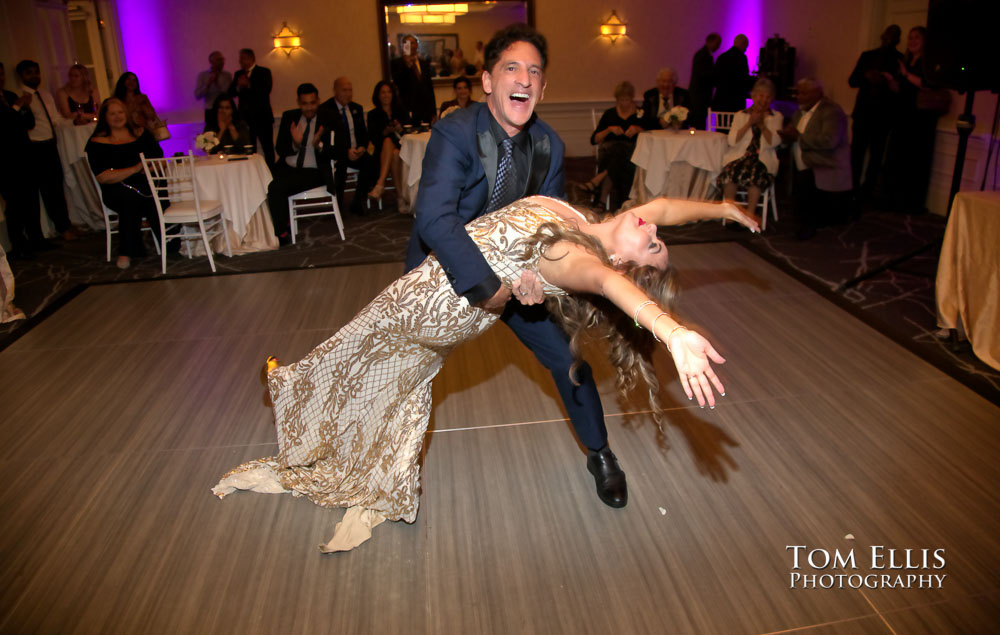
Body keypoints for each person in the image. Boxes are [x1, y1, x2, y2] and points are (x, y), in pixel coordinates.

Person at [213, 192, 759, 552]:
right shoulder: (586, 223)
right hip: (436, 283)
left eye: (654, 245)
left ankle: (296, 391)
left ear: (623, 265)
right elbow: (666, 204)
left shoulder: (587, 260)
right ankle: (300, 390)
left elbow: (616, 289)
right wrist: (723, 209)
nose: (656, 228)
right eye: (660, 237)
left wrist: (671, 330)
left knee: (367, 357)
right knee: (361, 356)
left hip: (437, 308)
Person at [408, 24, 640, 512]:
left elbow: (547, 229)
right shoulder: (455, 131)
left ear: (543, 88)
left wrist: (537, 272)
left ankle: (599, 453)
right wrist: (487, 284)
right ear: (488, 81)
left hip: (516, 276)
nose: (524, 78)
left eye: (535, 71)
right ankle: (387, 456)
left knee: (567, 358)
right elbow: (434, 218)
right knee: (404, 371)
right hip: (444, 270)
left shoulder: (549, 146)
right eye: (511, 67)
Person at [85, 97, 167, 269]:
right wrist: (135, 168)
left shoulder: (141, 134)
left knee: (154, 197)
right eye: (112, 113)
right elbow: (103, 176)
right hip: (116, 189)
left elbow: (160, 160)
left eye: (120, 112)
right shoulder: (97, 143)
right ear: (105, 117)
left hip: (147, 186)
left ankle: (168, 243)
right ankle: (126, 251)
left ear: (126, 114)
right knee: (129, 200)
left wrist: (148, 168)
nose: (117, 116)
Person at [779, 78, 852, 240]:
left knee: (809, 195)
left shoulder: (831, 111)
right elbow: (791, 132)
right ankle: (802, 224)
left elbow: (829, 141)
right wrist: (785, 137)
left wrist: (800, 137)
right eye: (797, 93)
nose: (799, 97)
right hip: (802, 164)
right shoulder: (800, 112)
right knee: (800, 197)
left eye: (804, 93)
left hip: (822, 164)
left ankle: (808, 227)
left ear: (817, 93)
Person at [15, 60, 77, 243]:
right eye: (29, 73)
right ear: (21, 76)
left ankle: (65, 225)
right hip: (34, 148)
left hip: (50, 145)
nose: (34, 76)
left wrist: (73, 121)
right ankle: (52, 230)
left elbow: (55, 119)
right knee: (45, 190)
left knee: (57, 186)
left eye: (36, 72)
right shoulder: (19, 96)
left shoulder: (45, 95)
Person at [882, 26, 939, 214]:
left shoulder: (928, 63)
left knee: (914, 160)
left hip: (920, 120)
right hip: (902, 115)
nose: (912, 41)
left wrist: (906, 74)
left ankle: (910, 202)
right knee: (896, 157)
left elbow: (928, 85)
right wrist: (892, 80)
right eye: (910, 38)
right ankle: (892, 199)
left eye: (916, 37)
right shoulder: (905, 60)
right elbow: (901, 89)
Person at [266, 83, 330, 244]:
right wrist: (295, 144)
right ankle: (271, 225)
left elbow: (338, 150)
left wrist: (319, 145)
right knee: (263, 179)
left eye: (312, 103)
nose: (308, 108)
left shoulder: (328, 118)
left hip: (313, 171)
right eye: (304, 103)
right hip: (289, 166)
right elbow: (280, 148)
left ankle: (280, 233)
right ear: (298, 103)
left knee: (276, 187)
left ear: (318, 101)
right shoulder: (289, 117)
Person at [848, 25, 903, 206]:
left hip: (883, 117)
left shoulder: (899, 60)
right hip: (863, 114)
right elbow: (852, 81)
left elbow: (901, 91)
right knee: (856, 153)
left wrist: (887, 81)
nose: (888, 38)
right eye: (887, 34)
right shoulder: (868, 56)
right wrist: (867, 77)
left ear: (897, 40)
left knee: (876, 156)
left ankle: (868, 192)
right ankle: (851, 188)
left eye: (893, 36)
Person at [717, 78, 783, 224]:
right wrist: (749, 123)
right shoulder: (741, 115)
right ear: (753, 96)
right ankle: (729, 214)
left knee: (757, 174)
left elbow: (775, 142)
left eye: (767, 97)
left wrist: (762, 126)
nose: (763, 100)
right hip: (740, 156)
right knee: (730, 173)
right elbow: (732, 141)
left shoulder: (776, 117)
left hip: (762, 158)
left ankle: (749, 215)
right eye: (760, 96)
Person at [1, 61, 46, 259]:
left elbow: (28, 123)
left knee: (31, 198)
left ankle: (37, 239)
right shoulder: (13, 101)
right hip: (5, 160)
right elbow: (5, 126)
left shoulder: (10, 95)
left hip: (25, 154)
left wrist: (21, 109)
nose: (1, 78)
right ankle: (18, 244)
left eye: (2, 74)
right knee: (14, 203)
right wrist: (16, 108)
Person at [580, 81, 644, 211]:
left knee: (619, 153)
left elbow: (651, 133)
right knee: (617, 153)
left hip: (632, 154)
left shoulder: (640, 114)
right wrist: (609, 130)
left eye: (626, 99)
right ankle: (610, 198)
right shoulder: (610, 114)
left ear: (632, 98)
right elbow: (594, 139)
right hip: (611, 154)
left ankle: (600, 192)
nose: (623, 103)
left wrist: (638, 129)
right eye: (621, 99)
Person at [318, 76, 376, 215]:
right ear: (335, 91)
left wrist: (362, 147)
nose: (348, 94)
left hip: (356, 151)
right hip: (339, 152)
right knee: (341, 165)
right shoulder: (325, 110)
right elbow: (326, 138)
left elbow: (363, 133)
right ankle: (338, 205)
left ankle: (357, 201)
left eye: (350, 90)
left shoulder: (356, 108)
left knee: (370, 163)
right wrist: (345, 151)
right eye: (344, 90)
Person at [229, 48, 275, 168]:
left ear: (251, 58)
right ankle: (253, 171)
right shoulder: (238, 74)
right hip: (246, 119)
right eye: (240, 60)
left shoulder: (264, 72)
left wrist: (249, 85)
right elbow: (231, 93)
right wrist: (239, 86)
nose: (241, 62)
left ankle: (272, 172)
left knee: (267, 148)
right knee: (249, 148)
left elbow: (265, 90)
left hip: (262, 117)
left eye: (243, 59)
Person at [366, 79, 408, 204]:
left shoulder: (401, 111)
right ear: (378, 95)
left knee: (395, 151)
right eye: (383, 92)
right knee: (389, 144)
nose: (386, 95)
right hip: (381, 153)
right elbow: (373, 138)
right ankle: (400, 198)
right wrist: (385, 132)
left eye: (388, 92)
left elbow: (410, 133)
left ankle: (380, 184)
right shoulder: (373, 115)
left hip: (402, 149)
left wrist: (399, 129)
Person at [391, 34, 437, 125]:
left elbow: (429, 88)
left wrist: (433, 112)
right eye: (407, 43)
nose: (411, 46)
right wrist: (407, 65)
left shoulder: (424, 63)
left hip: (425, 110)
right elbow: (398, 81)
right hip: (407, 109)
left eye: (413, 43)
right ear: (403, 46)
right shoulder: (396, 63)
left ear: (417, 45)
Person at [712, 35, 754, 114]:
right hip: (736, 103)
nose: (745, 50)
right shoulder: (742, 58)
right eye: (746, 47)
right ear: (743, 44)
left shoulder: (721, 57)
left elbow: (715, 80)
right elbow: (744, 80)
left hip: (720, 102)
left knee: (720, 125)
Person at [689, 33, 722, 130]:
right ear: (710, 42)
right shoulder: (703, 56)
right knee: (699, 123)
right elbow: (704, 75)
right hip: (699, 97)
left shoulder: (702, 54)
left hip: (700, 97)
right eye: (717, 44)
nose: (718, 47)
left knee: (700, 122)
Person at [194, 51, 233, 127]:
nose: (222, 62)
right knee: (211, 134)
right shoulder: (203, 76)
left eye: (222, 59)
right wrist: (208, 84)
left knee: (224, 135)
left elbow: (228, 94)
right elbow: (197, 95)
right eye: (218, 60)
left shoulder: (227, 75)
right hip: (210, 110)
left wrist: (217, 84)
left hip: (224, 110)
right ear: (211, 61)